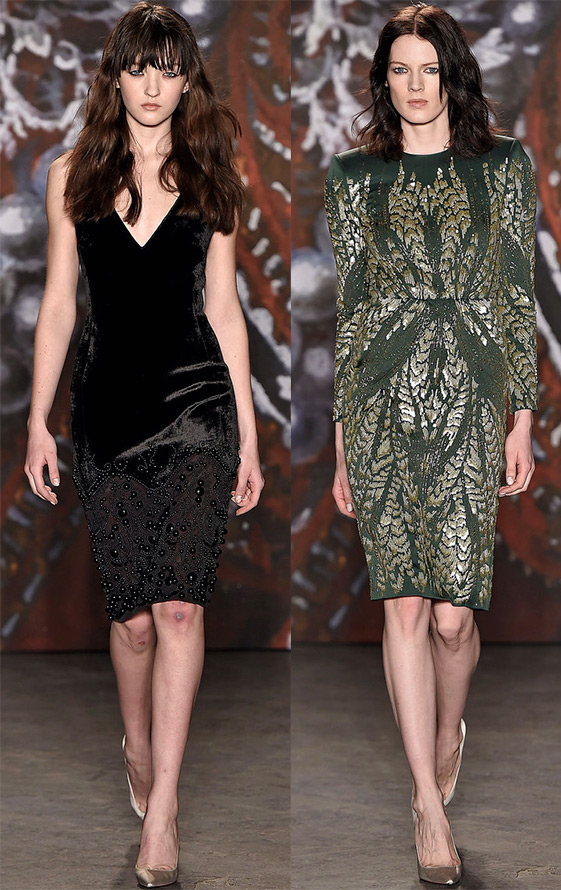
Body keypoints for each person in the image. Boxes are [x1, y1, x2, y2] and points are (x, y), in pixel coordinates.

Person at [24, 3, 264, 887]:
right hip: (106, 414)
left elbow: (226, 312)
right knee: (130, 622)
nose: (153, 85)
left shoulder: (210, 175)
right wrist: (37, 420)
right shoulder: (72, 175)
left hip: (198, 408)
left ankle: (163, 807)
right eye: (139, 67)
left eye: (169, 67)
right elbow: (59, 306)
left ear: (186, 77)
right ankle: (136, 744)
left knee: (178, 610)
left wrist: (247, 439)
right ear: (116, 76)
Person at [324, 2, 537, 885]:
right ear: (383, 81)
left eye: (429, 70)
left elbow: (516, 290)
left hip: (472, 399)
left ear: (453, 77)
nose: (415, 86)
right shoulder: (352, 177)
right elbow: (348, 311)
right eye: (400, 71)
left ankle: (448, 728)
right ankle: (425, 801)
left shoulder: (504, 166)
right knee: (405, 605)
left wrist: (522, 416)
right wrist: (341, 442)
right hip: (381, 402)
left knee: (453, 620)